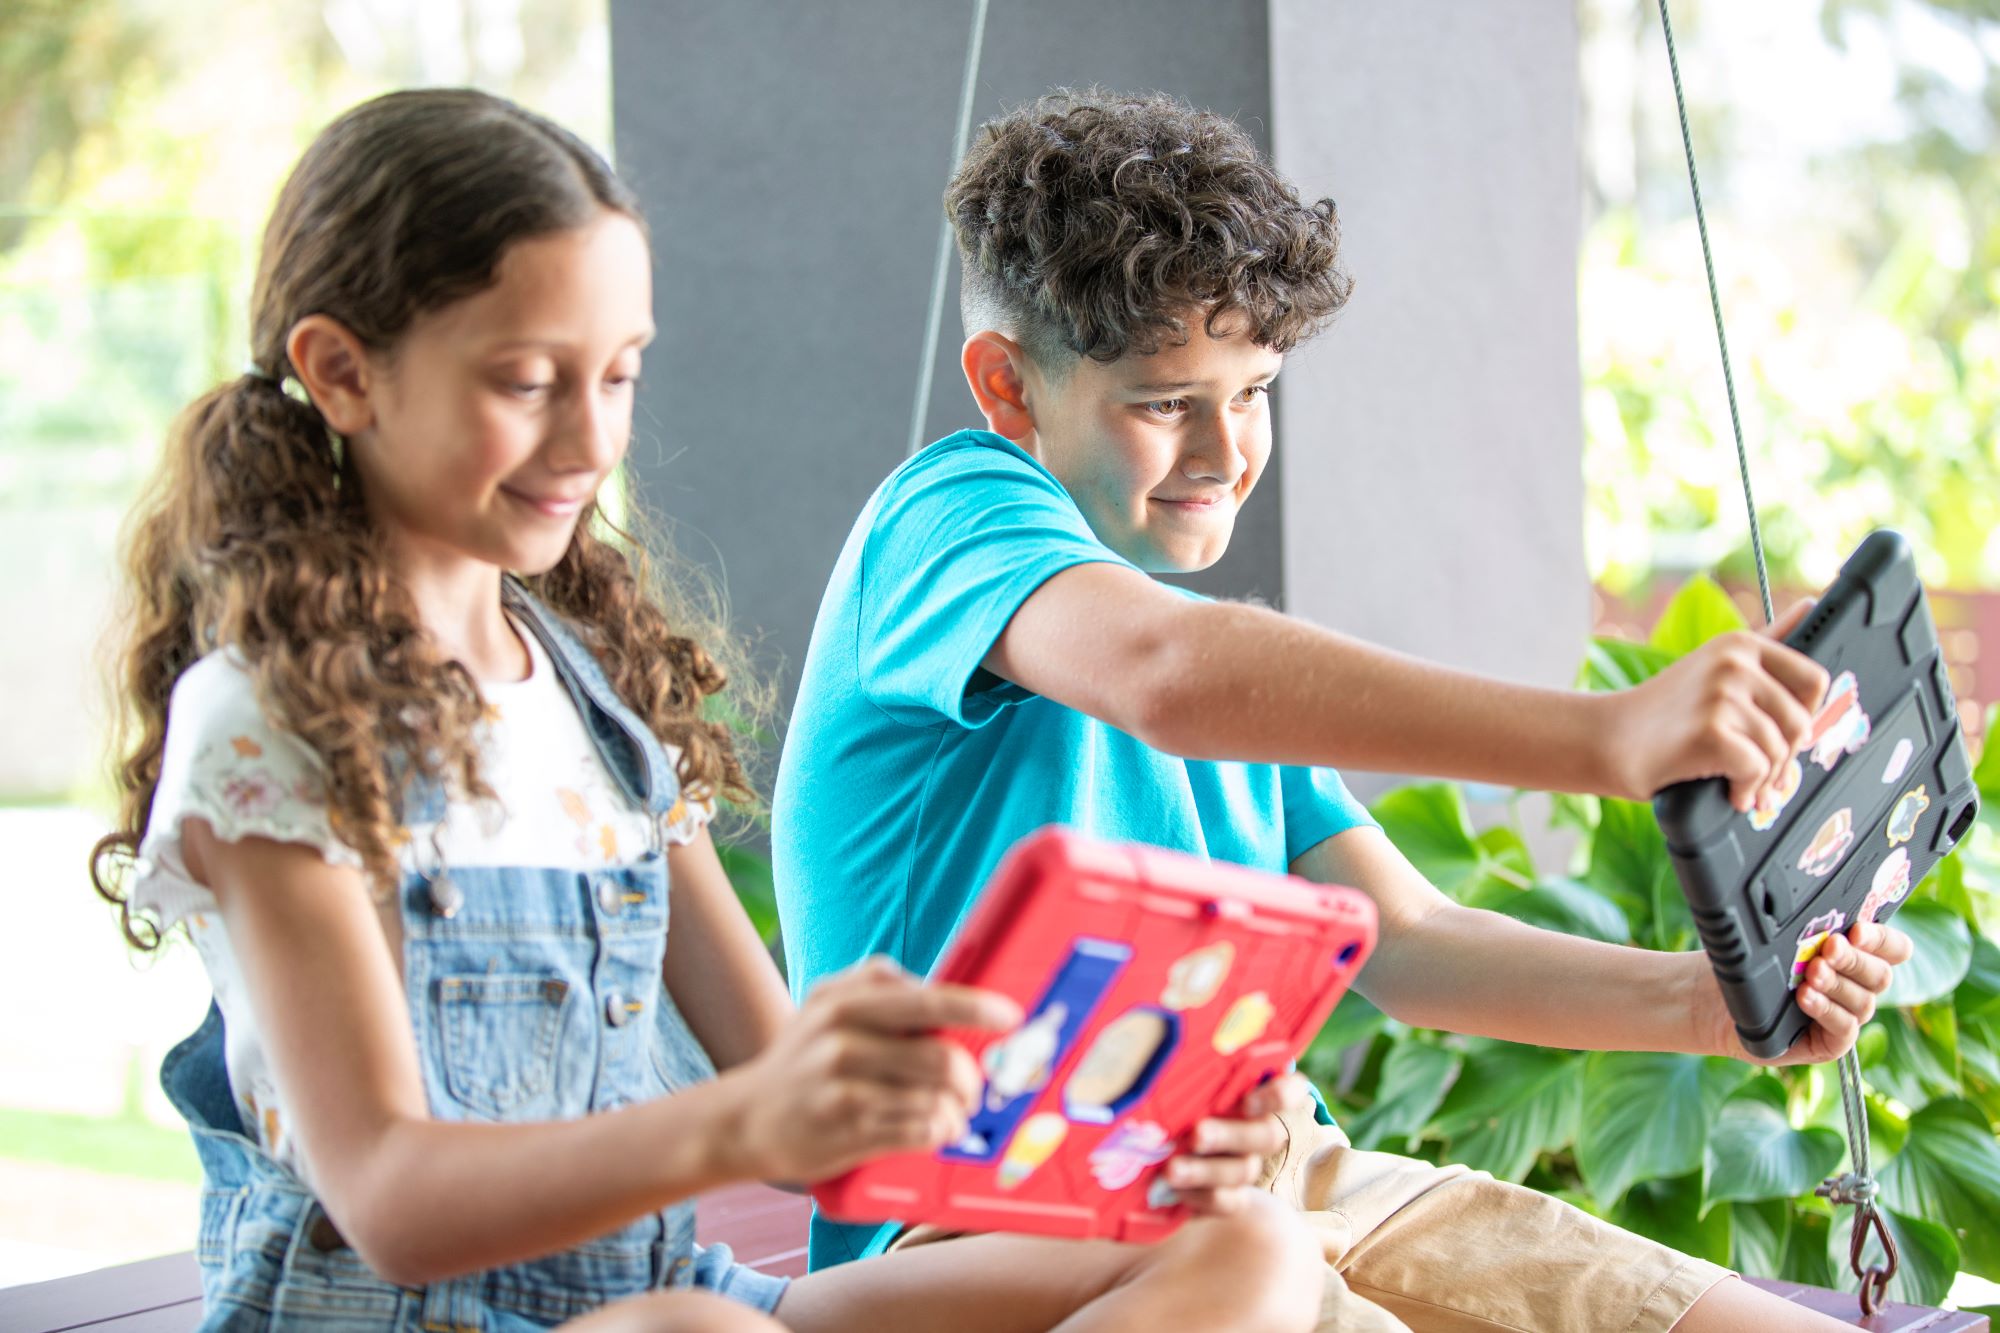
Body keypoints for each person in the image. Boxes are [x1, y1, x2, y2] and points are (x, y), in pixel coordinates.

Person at [89, 88, 1325, 1333]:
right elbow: (391, 1201)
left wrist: (1141, 1121)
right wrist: (739, 1121)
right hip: (411, 1318)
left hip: (659, 1303)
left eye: (618, 375)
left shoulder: (589, 702)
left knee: (1240, 1243)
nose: (589, 437)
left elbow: (800, 1123)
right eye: (529, 381)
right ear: (341, 374)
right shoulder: (263, 726)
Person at [771, 88, 1912, 1331]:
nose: (1223, 450)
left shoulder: (1218, 678)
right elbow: (1165, 674)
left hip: (1289, 1172)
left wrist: (1706, 1004)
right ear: (1006, 386)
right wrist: (1605, 737)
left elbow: (1407, 939)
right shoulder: (947, 522)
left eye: (1251, 390)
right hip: (999, 1223)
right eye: (1164, 402)